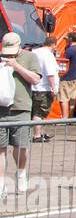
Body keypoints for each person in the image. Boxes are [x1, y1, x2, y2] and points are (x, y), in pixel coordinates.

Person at [1, 32, 42, 198]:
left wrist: (15, 65)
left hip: (21, 108)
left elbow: (35, 79)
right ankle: (1, 184)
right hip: (2, 109)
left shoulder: (30, 57)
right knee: (1, 149)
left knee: (20, 146)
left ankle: (21, 174)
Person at [30, 35, 60, 143]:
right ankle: (37, 135)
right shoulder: (48, 55)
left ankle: (39, 133)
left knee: (36, 111)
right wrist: (53, 88)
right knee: (40, 112)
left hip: (34, 86)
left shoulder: (34, 52)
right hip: (44, 87)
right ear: (53, 45)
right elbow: (50, 73)